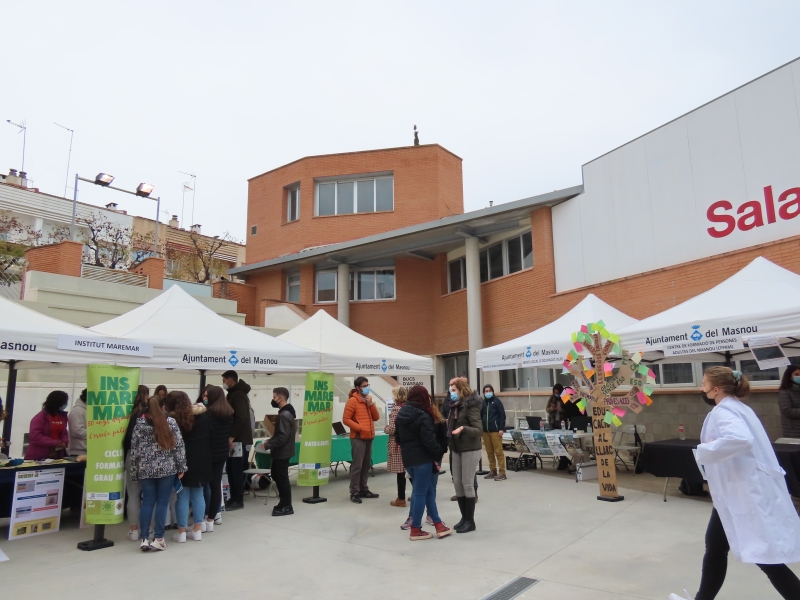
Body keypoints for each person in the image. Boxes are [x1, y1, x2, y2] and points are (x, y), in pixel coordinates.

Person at [670, 367, 800, 600]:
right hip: (736, 493)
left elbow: (739, 439)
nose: (701, 388)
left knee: (765, 558)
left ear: (715, 389)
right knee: (716, 547)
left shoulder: (724, 411)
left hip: (743, 494)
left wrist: (704, 451)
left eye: (703, 384)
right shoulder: (739, 408)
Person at [130, 396, 186, 552]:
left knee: (147, 501)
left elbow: (134, 451)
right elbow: (178, 446)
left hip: (145, 469)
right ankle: (159, 538)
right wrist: (181, 466)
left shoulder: (139, 425)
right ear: (163, 408)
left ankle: (144, 538)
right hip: (167, 469)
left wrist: (134, 471)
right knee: (162, 502)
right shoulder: (170, 422)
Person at [395, 385, 451, 540]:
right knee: (421, 493)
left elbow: (397, 437)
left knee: (428, 492)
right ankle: (416, 529)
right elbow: (429, 441)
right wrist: (439, 452)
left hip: (408, 459)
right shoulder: (422, 415)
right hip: (423, 459)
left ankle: (439, 524)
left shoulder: (402, 413)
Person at [165, 391, 210, 543]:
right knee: (198, 493)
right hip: (202, 459)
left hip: (181, 460)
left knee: (182, 496)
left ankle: (182, 531)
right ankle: (197, 529)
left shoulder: (172, 420)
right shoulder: (203, 416)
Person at [447, 377, 482, 533]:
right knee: (457, 483)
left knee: (467, 483)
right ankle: (463, 518)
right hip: (456, 447)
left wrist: (463, 429)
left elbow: (478, 430)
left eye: (454, 390)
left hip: (470, 448)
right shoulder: (455, 406)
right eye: (450, 390)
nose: (451, 393)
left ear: (461, 390)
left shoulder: (471, 406)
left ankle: (470, 521)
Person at [343, 376, 381, 503]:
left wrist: (371, 405)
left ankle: (364, 489)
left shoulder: (368, 400)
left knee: (366, 465)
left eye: (368, 385)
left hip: (369, 436)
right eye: (364, 386)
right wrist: (360, 428)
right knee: (357, 466)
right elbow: (346, 419)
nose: (367, 388)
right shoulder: (353, 401)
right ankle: (354, 491)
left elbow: (376, 417)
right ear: (358, 388)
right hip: (358, 437)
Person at [262, 387, 297, 516]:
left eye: (274, 397)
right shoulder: (287, 412)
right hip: (283, 451)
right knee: (277, 475)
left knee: (282, 478)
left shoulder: (284, 414)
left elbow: (282, 437)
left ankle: (286, 505)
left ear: (280, 398)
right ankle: (284, 503)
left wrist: (268, 444)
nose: (273, 399)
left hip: (282, 452)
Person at [222, 370, 253, 511]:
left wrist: (232, 436)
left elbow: (241, 417)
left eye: (224, 380)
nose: (223, 383)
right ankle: (234, 497)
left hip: (238, 440)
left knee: (236, 469)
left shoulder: (238, 395)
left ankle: (238, 499)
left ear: (230, 380)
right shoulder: (233, 394)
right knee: (230, 468)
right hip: (235, 439)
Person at [204, 385, 233, 531]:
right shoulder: (228, 413)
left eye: (207, 395)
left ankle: (205, 516)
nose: (205, 398)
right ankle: (212, 518)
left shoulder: (208, 415)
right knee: (216, 486)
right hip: (222, 453)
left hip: (208, 453)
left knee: (205, 486)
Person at [123, 386, 150, 541]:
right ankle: (149, 529)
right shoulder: (150, 413)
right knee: (149, 496)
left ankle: (133, 530)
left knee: (132, 494)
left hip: (131, 456)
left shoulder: (127, 413)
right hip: (149, 457)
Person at [24, 391, 69, 460]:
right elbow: (35, 436)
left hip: (57, 455)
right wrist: (56, 442)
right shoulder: (40, 417)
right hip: (39, 456)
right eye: (64, 402)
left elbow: (64, 432)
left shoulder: (62, 416)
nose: (66, 404)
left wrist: (64, 441)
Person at [385, 386, 408, 508]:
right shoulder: (410, 407)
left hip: (397, 443)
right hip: (408, 443)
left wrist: (386, 428)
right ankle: (418, 493)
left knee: (401, 472)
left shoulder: (396, 409)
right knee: (409, 471)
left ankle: (401, 498)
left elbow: (393, 428)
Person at [480, 384, 507, 481]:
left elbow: (502, 415)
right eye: (486, 391)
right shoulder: (482, 403)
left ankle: (502, 472)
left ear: (492, 391)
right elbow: (480, 416)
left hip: (495, 431)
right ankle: (493, 470)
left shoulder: (496, 402)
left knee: (498, 451)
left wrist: (501, 428)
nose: (487, 393)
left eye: (489, 391)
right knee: (489, 452)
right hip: (485, 431)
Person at [777, 364, 800, 438]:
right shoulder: (785, 392)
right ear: (789, 376)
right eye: (796, 374)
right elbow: (787, 411)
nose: (799, 376)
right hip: (794, 431)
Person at [67, 389, 87, 457]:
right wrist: (97, 433)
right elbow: (77, 431)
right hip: (78, 452)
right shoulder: (77, 411)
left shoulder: (89, 410)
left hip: (88, 450)